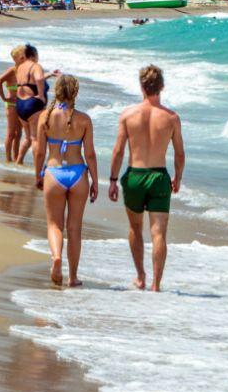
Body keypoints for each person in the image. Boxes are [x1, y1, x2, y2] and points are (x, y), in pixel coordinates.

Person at [108, 65, 184, 292]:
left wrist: (112, 180)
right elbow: (179, 153)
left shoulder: (128, 115)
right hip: (159, 176)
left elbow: (118, 151)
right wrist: (178, 177)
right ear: (161, 86)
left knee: (135, 227)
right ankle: (156, 284)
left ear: (141, 86)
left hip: (135, 175)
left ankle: (140, 276)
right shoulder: (171, 118)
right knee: (159, 233)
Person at [33, 75, 97, 287]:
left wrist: (38, 175)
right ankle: (73, 277)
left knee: (54, 224)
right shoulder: (84, 119)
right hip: (78, 174)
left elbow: (40, 151)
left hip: (54, 172)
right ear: (75, 93)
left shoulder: (45, 117)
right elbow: (90, 154)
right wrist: (95, 181)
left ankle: (56, 258)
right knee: (75, 227)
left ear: (56, 92)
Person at [14, 44, 59, 164]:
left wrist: (49, 74)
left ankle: (18, 161)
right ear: (34, 55)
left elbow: (31, 80)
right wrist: (41, 95)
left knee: (28, 137)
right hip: (32, 104)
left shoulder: (20, 67)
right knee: (35, 138)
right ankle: (37, 168)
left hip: (20, 104)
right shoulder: (36, 66)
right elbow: (38, 79)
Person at [0, 45, 26, 163]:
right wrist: (4, 97)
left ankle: (17, 158)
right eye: (22, 56)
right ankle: (8, 159)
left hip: (22, 104)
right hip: (12, 105)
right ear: (16, 58)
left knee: (19, 133)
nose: (24, 58)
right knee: (11, 133)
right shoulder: (12, 70)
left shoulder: (25, 71)